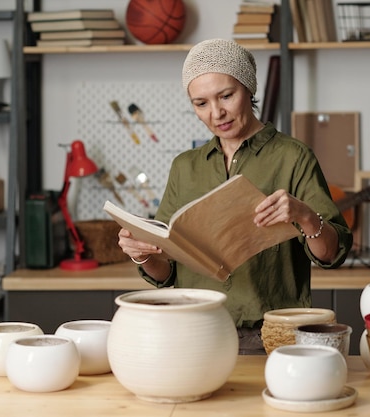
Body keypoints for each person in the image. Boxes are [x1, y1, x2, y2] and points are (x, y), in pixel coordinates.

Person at [118, 38, 352, 354]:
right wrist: (143, 253)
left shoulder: (293, 158)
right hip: (194, 332)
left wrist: (305, 216)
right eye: (201, 103)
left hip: (271, 338)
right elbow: (166, 272)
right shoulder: (185, 167)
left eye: (226, 96)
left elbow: (331, 255)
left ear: (248, 88)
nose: (217, 113)